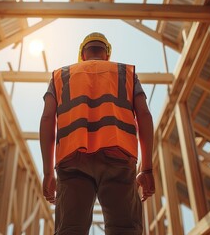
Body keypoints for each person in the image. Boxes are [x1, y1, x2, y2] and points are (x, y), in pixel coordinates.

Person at [40, 32, 155, 235]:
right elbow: (144, 115)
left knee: (70, 230)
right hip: (118, 156)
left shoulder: (60, 76)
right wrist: (146, 169)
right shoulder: (124, 73)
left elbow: (48, 119)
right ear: (107, 54)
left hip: (72, 159)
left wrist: (48, 172)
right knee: (125, 229)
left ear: (82, 54)